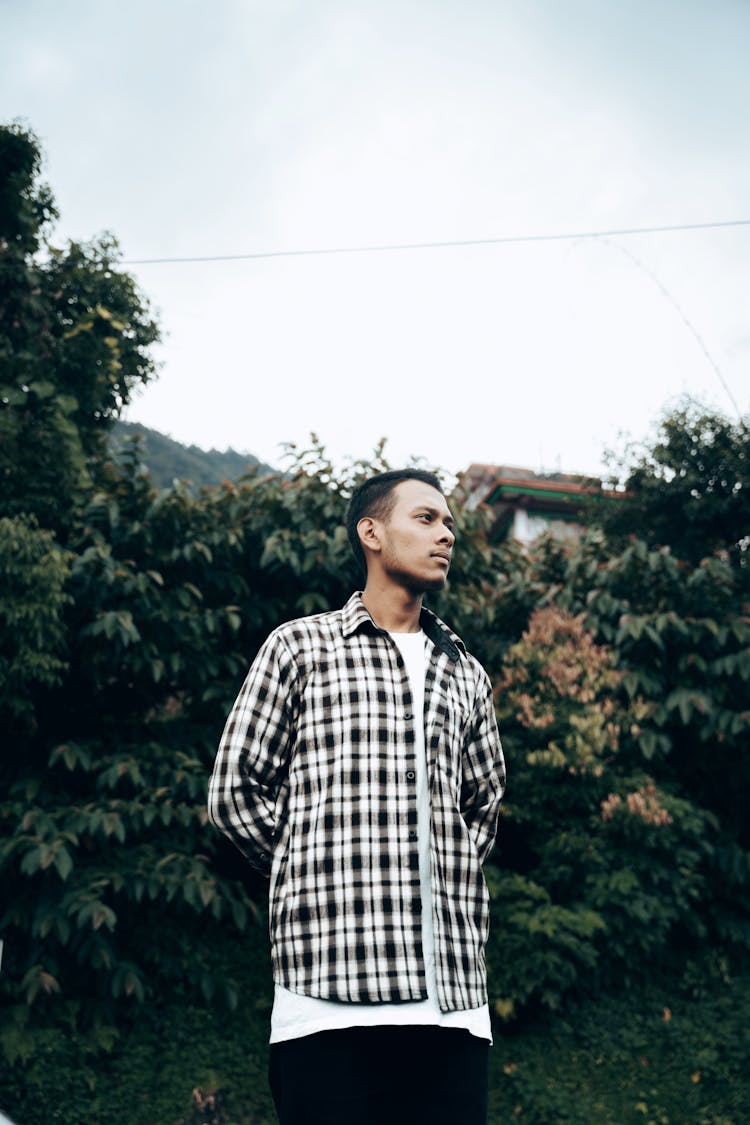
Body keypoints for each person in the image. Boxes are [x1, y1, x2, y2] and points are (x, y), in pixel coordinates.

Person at [208, 468, 506, 1125]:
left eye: (449, 522)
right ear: (372, 531)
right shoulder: (299, 648)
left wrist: (443, 865)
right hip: (326, 1004)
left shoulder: (466, 670)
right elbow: (234, 790)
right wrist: (309, 867)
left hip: (452, 1007)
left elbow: (482, 805)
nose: (447, 533)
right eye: (426, 518)